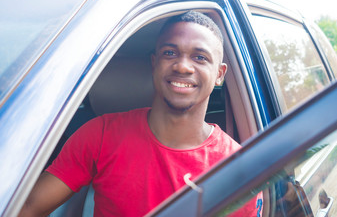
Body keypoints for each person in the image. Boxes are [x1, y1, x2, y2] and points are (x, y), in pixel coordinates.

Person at [19, 11, 262, 217]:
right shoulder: (101, 134)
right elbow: (28, 208)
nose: (182, 66)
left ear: (220, 74)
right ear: (154, 62)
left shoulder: (239, 168)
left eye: (200, 57)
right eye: (170, 53)